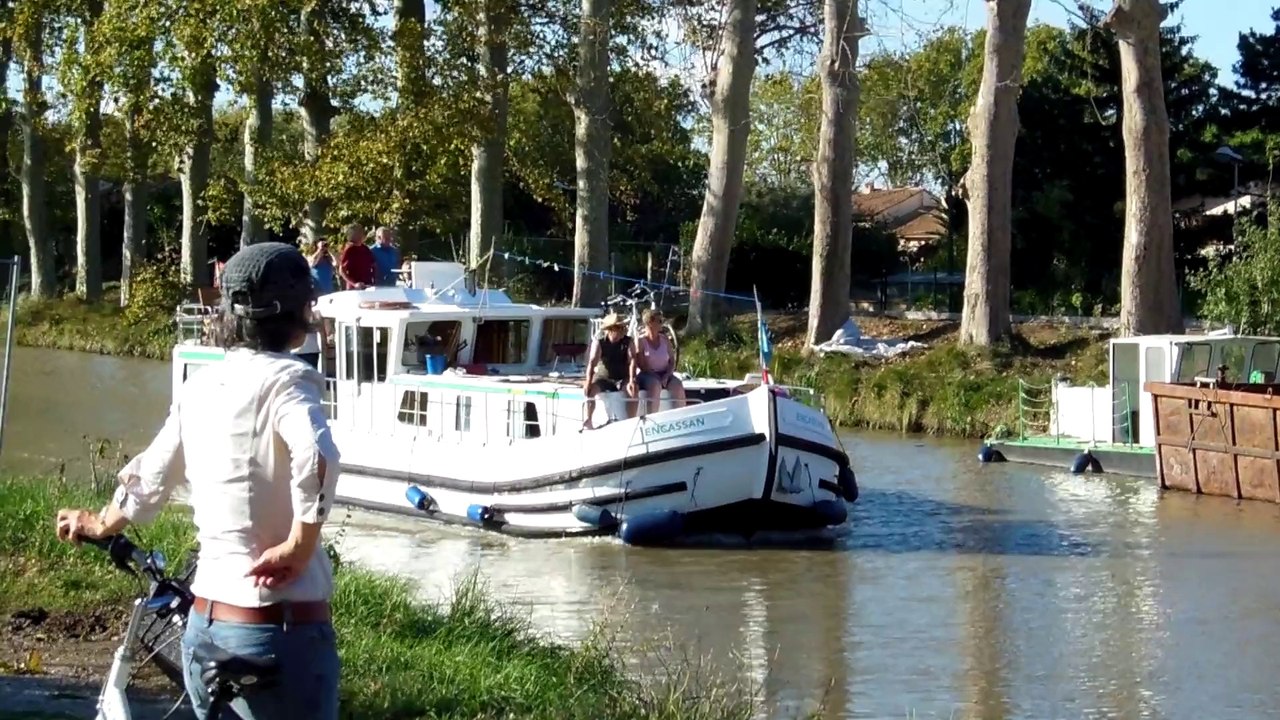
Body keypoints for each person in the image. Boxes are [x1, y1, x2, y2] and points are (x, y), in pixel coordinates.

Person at [53, 242, 342, 720]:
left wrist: (99, 523)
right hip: (274, 631)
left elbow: (150, 476)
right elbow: (318, 456)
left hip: (205, 629)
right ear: (299, 313)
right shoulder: (288, 381)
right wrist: (298, 544)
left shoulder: (200, 386)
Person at [582, 312, 637, 429]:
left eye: (623, 327)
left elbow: (632, 360)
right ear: (612, 329)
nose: (624, 330)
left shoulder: (628, 342)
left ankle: (632, 421)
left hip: (623, 377)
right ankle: (589, 420)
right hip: (604, 378)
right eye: (620, 328)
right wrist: (588, 380)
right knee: (590, 391)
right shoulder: (600, 343)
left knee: (633, 390)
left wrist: (632, 380)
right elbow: (592, 363)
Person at [634, 308, 685, 414]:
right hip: (647, 374)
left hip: (665, 373)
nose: (662, 324)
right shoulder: (641, 342)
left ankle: (681, 417)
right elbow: (641, 365)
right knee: (655, 385)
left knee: (678, 385)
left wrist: (667, 375)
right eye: (659, 321)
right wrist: (656, 376)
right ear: (650, 323)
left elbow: (672, 360)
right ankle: (652, 418)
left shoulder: (665, 340)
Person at [337, 223, 375, 290]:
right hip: (355, 288)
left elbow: (373, 265)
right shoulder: (349, 249)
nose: (361, 234)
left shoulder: (365, 249)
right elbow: (342, 270)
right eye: (358, 232)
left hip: (368, 286)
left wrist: (374, 280)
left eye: (361, 231)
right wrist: (354, 284)